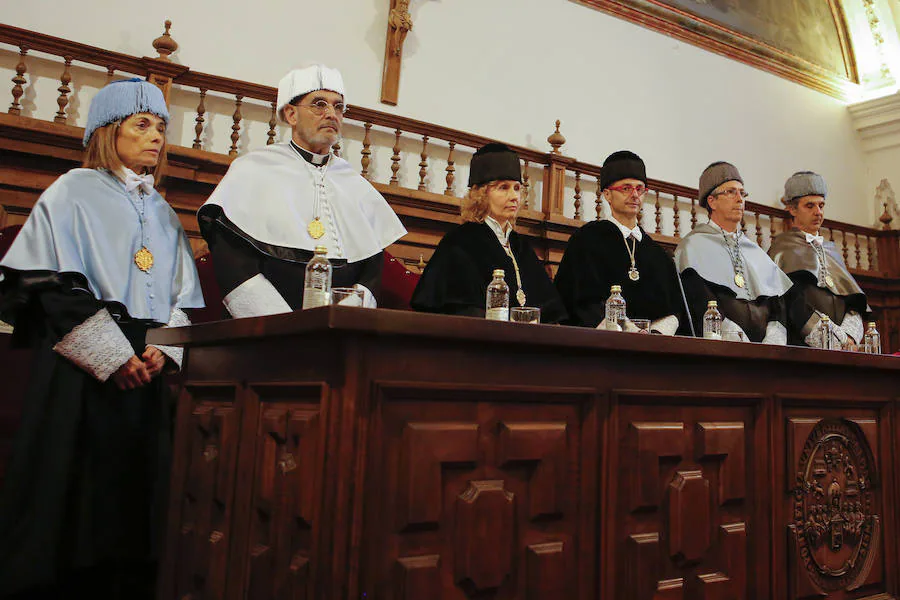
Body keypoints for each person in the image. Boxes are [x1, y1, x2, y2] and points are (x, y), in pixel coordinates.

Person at [0, 78, 204, 598]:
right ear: (107, 131)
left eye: (161, 127)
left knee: (140, 508)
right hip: (85, 370)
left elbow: (184, 294)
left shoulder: (161, 210)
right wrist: (114, 355)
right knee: (76, 501)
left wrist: (166, 345)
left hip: (149, 364)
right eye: (142, 125)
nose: (156, 137)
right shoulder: (72, 190)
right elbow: (49, 285)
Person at [198, 64, 406, 317]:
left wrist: (341, 320)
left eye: (338, 107)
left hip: (339, 332)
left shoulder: (356, 184)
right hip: (268, 332)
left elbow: (372, 266)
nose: (331, 114)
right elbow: (233, 260)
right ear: (291, 114)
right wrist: (286, 327)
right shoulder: (252, 170)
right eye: (319, 104)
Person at [410, 143, 567, 322]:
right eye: (503, 188)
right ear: (481, 194)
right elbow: (453, 311)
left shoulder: (520, 246)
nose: (514, 196)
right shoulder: (460, 242)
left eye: (517, 188)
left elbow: (551, 311)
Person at [554, 151, 684, 333]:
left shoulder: (658, 254)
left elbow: (674, 310)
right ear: (607, 194)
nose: (635, 195)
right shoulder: (587, 240)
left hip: (654, 349)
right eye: (626, 188)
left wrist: (653, 335)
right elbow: (580, 301)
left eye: (640, 189)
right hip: (603, 347)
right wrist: (629, 332)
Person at [674, 162, 791, 343]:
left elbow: (777, 304)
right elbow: (699, 299)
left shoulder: (755, 251)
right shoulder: (693, 246)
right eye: (730, 192)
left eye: (742, 193)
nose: (740, 199)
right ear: (711, 201)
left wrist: (773, 339)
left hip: (767, 355)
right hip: (723, 350)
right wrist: (734, 337)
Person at [768, 171, 869, 348]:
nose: (818, 212)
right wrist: (832, 340)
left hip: (844, 346)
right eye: (810, 206)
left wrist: (849, 337)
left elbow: (852, 300)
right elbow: (791, 302)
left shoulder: (832, 250)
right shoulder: (782, 248)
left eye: (821, 205)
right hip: (804, 349)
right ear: (792, 209)